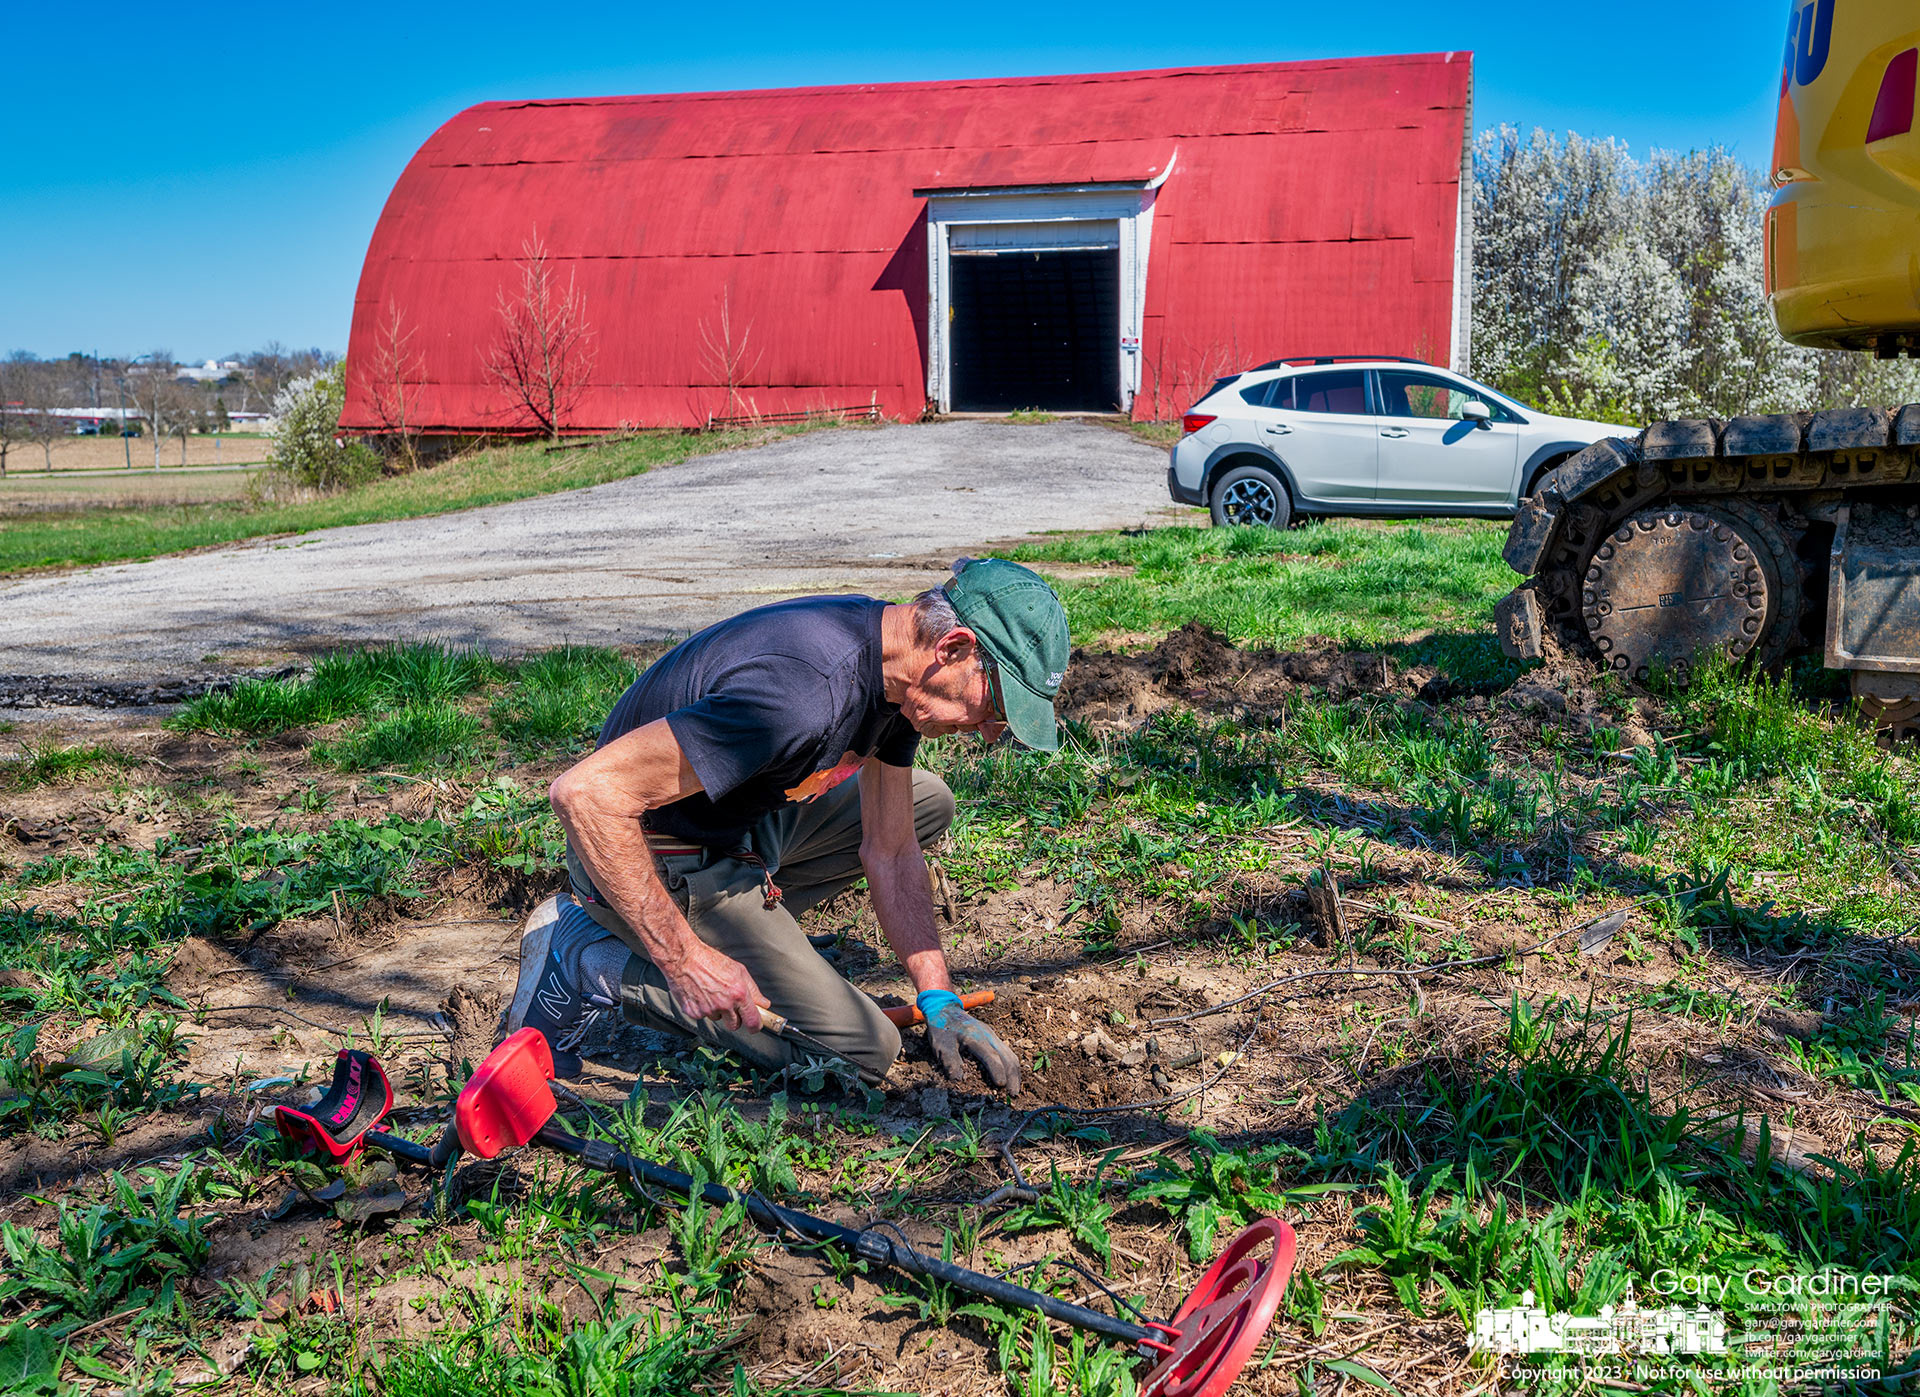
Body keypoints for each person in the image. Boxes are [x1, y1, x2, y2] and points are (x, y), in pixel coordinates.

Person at [501, 558, 1070, 1094]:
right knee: (862, 1051)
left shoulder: (894, 669)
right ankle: (587, 956)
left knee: (926, 802)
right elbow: (587, 795)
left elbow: (892, 847)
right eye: (994, 705)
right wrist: (685, 961)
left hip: (729, 821)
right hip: (647, 851)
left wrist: (938, 996)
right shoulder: (799, 694)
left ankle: (747, 934)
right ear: (952, 648)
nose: (992, 732)